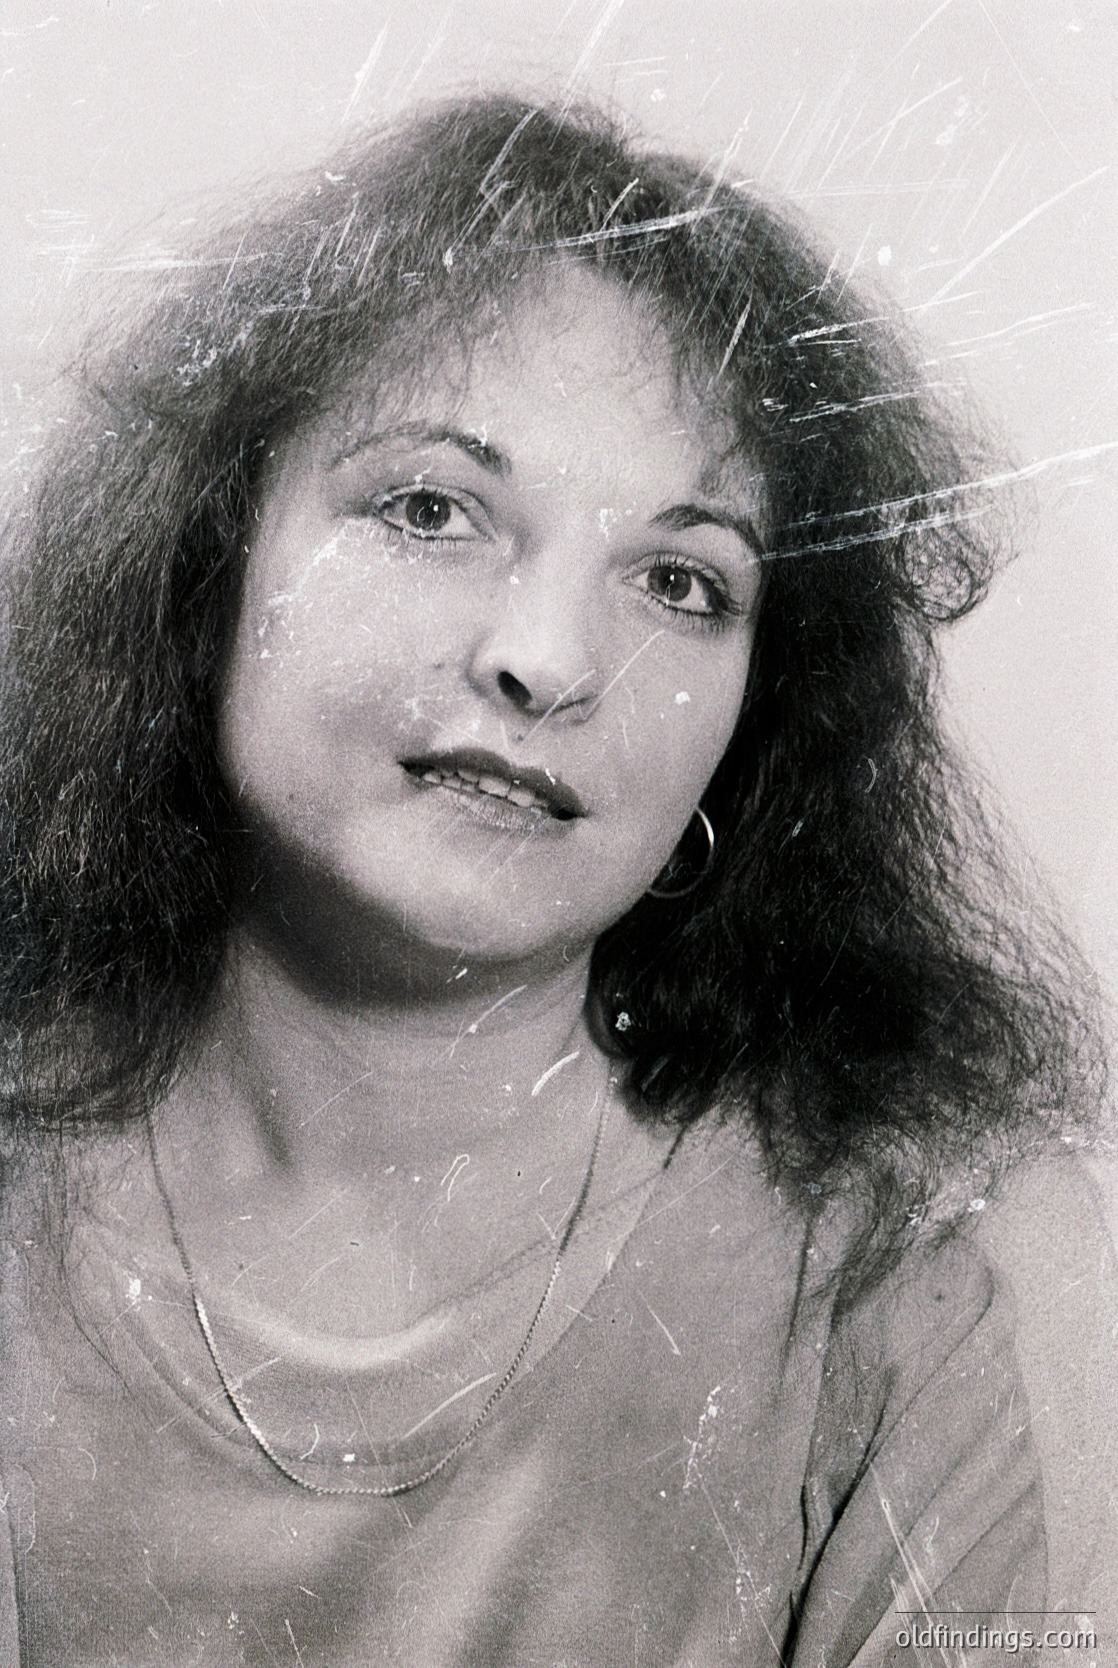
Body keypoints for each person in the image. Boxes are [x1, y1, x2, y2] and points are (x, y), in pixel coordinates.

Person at [0, 93, 1111, 1666]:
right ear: (207, 557)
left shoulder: (931, 1258)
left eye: (679, 580)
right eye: (431, 509)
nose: (546, 659)